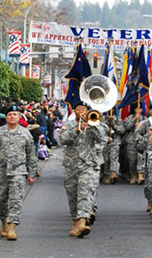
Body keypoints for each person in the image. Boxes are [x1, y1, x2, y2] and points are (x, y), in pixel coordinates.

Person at [0, 105, 38, 241]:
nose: (12, 116)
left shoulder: (25, 133)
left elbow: (31, 154)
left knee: (16, 200)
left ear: (19, 117)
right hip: (0, 171)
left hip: (18, 172)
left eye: (15, 114)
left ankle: (12, 228)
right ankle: (4, 222)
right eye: (9, 114)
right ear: (6, 117)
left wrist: (32, 173)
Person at [58, 101, 108, 238]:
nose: (81, 112)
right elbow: (61, 139)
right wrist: (76, 129)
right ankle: (75, 222)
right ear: (74, 111)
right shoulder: (68, 125)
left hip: (89, 164)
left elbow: (102, 139)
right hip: (71, 165)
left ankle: (82, 222)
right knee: (72, 194)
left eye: (84, 109)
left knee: (85, 192)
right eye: (78, 109)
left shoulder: (97, 124)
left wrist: (92, 126)